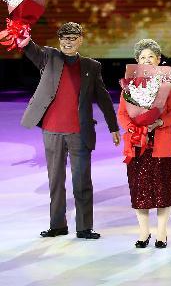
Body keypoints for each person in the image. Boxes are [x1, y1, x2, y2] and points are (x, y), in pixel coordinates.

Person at [17, 22, 119, 240]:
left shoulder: (92, 66)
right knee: (55, 181)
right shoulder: (49, 57)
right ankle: (57, 225)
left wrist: (113, 127)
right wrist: (24, 39)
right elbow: (32, 49)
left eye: (72, 38)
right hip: (52, 131)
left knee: (82, 181)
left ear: (80, 40)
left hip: (79, 133)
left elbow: (103, 98)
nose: (68, 42)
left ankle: (84, 227)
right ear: (59, 40)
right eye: (64, 38)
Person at [118, 39, 171, 249]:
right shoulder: (129, 84)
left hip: (161, 144)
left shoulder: (169, 83)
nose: (146, 61)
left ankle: (161, 234)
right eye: (142, 58)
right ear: (137, 61)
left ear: (159, 60)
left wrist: (159, 122)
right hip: (137, 144)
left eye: (151, 57)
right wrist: (133, 128)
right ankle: (143, 233)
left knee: (163, 189)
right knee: (139, 190)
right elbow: (122, 113)